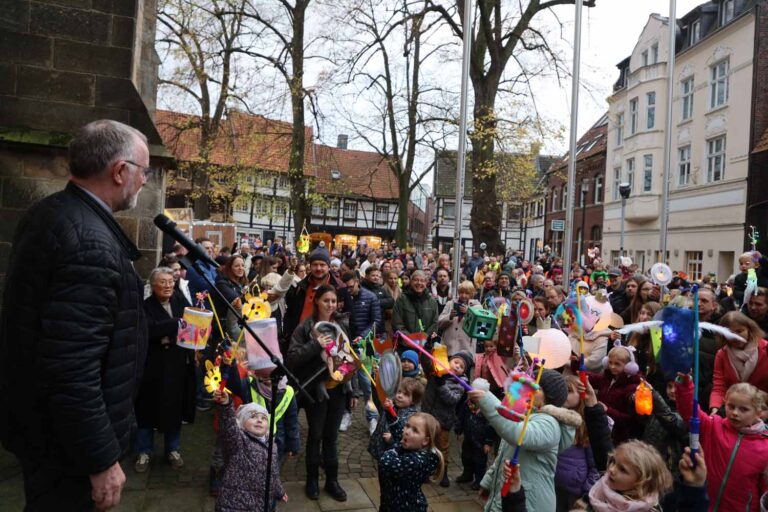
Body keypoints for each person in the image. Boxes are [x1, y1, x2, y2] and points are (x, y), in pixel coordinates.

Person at [0, 120, 149, 510]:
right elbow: (71, 368)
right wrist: (100, 458)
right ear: (120, 172)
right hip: (70, 452)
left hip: (45, 434)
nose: (145, 182)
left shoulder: (51, 213)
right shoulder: (90, 244)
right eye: (143, 171)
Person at [472, 369, 581, 512]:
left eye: (538, 387)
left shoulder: (549, 423)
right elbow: (504, 455)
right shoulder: (523, 414)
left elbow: (517, 434)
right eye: (531, 384)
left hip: (531, 504)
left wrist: (486, 399)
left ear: (548, 398)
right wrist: (488, 482)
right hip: (509, 497)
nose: (531, 388)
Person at [285, 285, 356, 501]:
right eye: (326, 300)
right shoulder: (305, 327)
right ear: (316, 301)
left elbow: (349, 358)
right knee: (315, 435)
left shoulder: (341, 323)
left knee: (331, 437)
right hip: (316, 390)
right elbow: (293, 357)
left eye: (333, 301)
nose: (330, 305)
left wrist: (352, 392)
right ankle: (312, 479)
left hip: (338, 389)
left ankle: (332, 481)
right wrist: (316, 345)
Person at [134, 267, 195, 473]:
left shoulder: (179, 300)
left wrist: (166, 332)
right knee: (146, 408)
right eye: (163, 282)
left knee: (174, 408)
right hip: (153, 367)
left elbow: (192, 323)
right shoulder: (145, 306)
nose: (168, 285)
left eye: (171, 281)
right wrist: (174, 324)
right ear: (153, 285)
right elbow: (146, 331)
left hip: (177, 364)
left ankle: (173, 449)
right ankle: (143, 451)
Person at [677, 378, 768, 512]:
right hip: (704, 505)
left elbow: (765, 489)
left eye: (744, 409)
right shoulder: (713, 426)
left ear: (758, 413)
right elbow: (690, 412)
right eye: (731, 406)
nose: (735, 413)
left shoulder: (765, 446)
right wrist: (685, 386)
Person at [211, 390, 287, 511]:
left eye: (264, 418)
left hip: (262, 505)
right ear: (241, 422)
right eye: (253, 416)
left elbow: (272, 473)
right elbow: (228, 427)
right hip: (235, 506)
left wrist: (279, 491)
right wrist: (225, 405)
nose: (259, 420)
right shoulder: (238, 441)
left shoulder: (272, 445)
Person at [573, 440, 673, 512]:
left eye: (623, 470)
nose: (611, 470)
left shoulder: (647, 509)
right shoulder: (603, 487)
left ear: (642, 481)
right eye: (613, 462)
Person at [283, 246, 352, 350]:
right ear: (309, 266)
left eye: (322, 265)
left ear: (328, 266)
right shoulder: (300, 287)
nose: (318, 268)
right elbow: (290, 314)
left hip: (330, 341)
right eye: (315, 265)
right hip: (302, 341)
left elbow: (349, 315)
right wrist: (288, 335)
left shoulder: (340, 288)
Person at [422, 352, 472, 487]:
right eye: (456, 362)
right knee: (425, 444)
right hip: (427, 415)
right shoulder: (437, 370)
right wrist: (428, 346)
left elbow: (452, 399)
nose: (457, 367)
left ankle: (442, 473)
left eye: (461, 367)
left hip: (443, 421)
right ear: (449, 361)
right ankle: (425, 471)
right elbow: (426, 363)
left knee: (442, 447)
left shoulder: (461, 383)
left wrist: (441, 385)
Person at [377, 412, 444, 512]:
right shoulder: (413, 445)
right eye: (407, 426)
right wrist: (390, 412)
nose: (407, 431)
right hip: (390, 503)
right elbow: (399, 430)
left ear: (425, 441)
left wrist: (394, 446)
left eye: (415, 430)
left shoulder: (417, 462)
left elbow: (385, 462)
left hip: (406, 508)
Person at [340, 272, 381, 434]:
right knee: (347, 382)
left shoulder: (370, 297)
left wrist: (362, 336)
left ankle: (372, 417)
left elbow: (376, 321)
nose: (349, 290)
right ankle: (347, 413)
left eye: (351, 287)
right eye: (346, 288)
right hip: (346, 345)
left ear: (357, 282)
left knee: (367, 383)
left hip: (364, 346)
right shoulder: (343, 296)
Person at [554, 376, 600, 511]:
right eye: (560, 390)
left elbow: (596, 464)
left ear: (581, 395)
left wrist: (586, 494)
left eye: (568, 391)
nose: (563, 395)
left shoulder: (587, 424)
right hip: (554, 484)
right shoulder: (553, 418)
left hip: (576, 491)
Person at [709, 311, 768, 413]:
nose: (736, 337)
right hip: (734, 411)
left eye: (740, 331)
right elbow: (719, 387)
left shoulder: (766, 350)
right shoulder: (721, 354)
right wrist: (715, 410)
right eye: (731, 333)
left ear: (749, 329)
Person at [588, 344, 642, 444]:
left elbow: (630, 420)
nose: (612, 367)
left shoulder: (633, 388)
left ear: (629, 366)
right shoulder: (607, 377)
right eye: (610, 363)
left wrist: (607, 410)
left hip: (618, 437)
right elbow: (591, 378)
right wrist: (578, 365)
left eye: (617, 364)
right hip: (603, 428)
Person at [368, 377, 424, 460]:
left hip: (393, 451)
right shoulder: (391, 404)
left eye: (406, 394)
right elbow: (378, 398)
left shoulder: (412, 417)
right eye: (399, 391)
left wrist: (392, 439)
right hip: (380, 443)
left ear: (413, 401)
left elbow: (406, 434)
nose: (400, 396)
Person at [392, 270, 439, 340]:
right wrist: (411, 339)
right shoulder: (402, 300)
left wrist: (424, 338)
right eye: (416, 280)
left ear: (426, 283)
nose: (419, 283)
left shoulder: (432, 301)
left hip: (426, 344)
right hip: (405, 344)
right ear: (411, 282)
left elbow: (435, 323)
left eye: (422, 281)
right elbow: (397, 323)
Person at [438, 281, 481, 355]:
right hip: (448, 347)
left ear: (471, 294)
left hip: (466, 348)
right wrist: (450, 316)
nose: (463, 295)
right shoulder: (450, 304)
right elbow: (439, 323)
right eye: (461, 292)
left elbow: (479, 326)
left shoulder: (477, 306)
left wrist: (469, 312)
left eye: (467, 293)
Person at [214, 255, 249, 342]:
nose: (241, 268)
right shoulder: (221, 284)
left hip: (239, 324)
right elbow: (237, 301)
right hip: (224, 328)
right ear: (229, 268)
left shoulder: (241, 283)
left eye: (242, 265)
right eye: (237, 266)